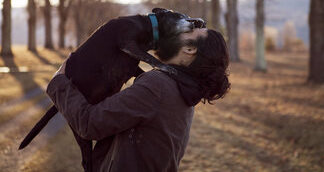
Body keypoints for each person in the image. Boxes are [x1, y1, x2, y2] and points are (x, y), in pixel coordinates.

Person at [46, 28, 230, 172]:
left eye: (188, 31)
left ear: (189, 49)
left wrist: (59, 82)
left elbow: (89, 123)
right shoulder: (184, 90)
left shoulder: (158, 85)